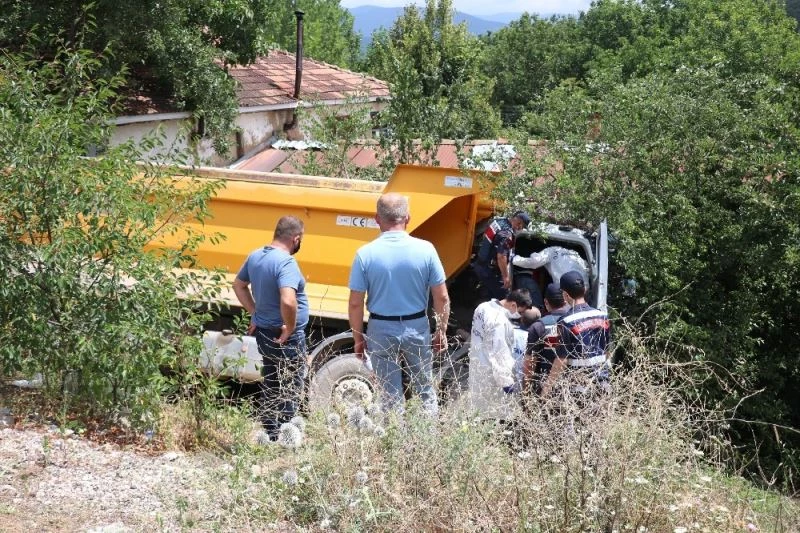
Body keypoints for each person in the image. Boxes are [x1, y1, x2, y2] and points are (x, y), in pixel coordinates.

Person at [348, 193, 451, 416]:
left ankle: (394, 445)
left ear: (377, 219)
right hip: (417, 326)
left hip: (381, 328)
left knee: (389, 393)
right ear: (408, 218)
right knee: (424, 390)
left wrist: (358, 338)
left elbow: (356, 303)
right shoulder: (426, 250)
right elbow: (441, 297)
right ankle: (426, 444)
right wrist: (441, 330)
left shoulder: (365, 254)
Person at [233, 215, 308, 443]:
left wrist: (255, 312)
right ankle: (286, 438)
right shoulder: (286, 262)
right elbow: (288, 300)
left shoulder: (256, 256)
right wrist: (290, 327)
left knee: (272, 381)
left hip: (265, 331)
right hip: (284, 335)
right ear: (295, 238)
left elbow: (239, 285)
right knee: (290, 385)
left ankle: (270, 432)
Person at [540, 271, 611, 399]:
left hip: (579, 389)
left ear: (565, 295)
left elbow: (561, 360)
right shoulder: (602, 316)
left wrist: (546, 389)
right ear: (584, 289)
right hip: (603, 385)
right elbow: (607, 352)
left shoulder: (565, 322)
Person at [467, 289, 533, 420]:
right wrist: (507, 384)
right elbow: (499, 354)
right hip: (491, 377)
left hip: (476, 367)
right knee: (495, 417)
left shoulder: (482, 307)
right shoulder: (500, 322)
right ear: (513, 305)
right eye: (519, 312)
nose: (519, 316)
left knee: (478, 412)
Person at [522, 283, 571, 396]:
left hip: (545, 389)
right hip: (573, 388)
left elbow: (530, 363)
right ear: (566, 300)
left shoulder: (539, 327)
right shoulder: (576, 321)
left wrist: (526, 393)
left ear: (546, 302)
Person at [472, 211, 531, 301]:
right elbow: (501, 257)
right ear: (518, 221)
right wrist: (506, 277)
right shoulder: (506, 234)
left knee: (488, 293)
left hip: (480, 263)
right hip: (489, 270)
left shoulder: (499, 221)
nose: (519, 228)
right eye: (520, 225)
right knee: (504, 297)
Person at [512, 245, 590, 309]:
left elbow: (534, 262)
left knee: (565, 312)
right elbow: (587, 270)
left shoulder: (551, 251)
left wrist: (514, 259)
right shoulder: (574, 254)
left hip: (565, 286)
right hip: (583, 284)